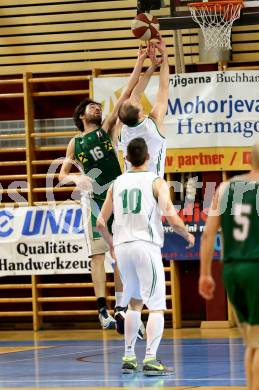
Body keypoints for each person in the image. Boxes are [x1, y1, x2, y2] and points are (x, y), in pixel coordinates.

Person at [58, 46, 150, 331]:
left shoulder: (107, 129)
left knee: (121, 253)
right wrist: (76, 179)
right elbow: (61, 175)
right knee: (97, 254)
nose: (97, 107)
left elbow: (125, 95)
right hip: (94, 200)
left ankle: (121, 307)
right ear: (81, 116)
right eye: (92, 106)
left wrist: (142, 63)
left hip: (118, 197)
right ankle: (102, 309)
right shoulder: (75, 143)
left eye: (98, 106)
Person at [97, 137, 195, 375]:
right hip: (145, 245)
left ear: (127, 158)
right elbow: (171, 217)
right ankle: (150, 358)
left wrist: (111, 244)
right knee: (157, 306)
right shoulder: (156, 181)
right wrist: (187, 235)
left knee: (134, 303)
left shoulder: (116, 183)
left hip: (122, 247)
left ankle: (129, 356)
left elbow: (100, 222)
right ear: (149, 157)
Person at [199, 139, 259, 390]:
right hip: (257, 268)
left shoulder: (224, 188)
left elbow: (208, 234)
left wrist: (205, 274)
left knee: (252, 341)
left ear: (249, 160)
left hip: (230, 270)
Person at [118, 36, 169, 177]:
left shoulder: (123, 130)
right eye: (136, 102)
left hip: (127, 187)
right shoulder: (153, 124)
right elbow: (163, 87)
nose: (135, 98)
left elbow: (135, 93)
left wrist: (152, 66)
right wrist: (164, 56)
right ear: (140, 114)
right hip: (153, 188)